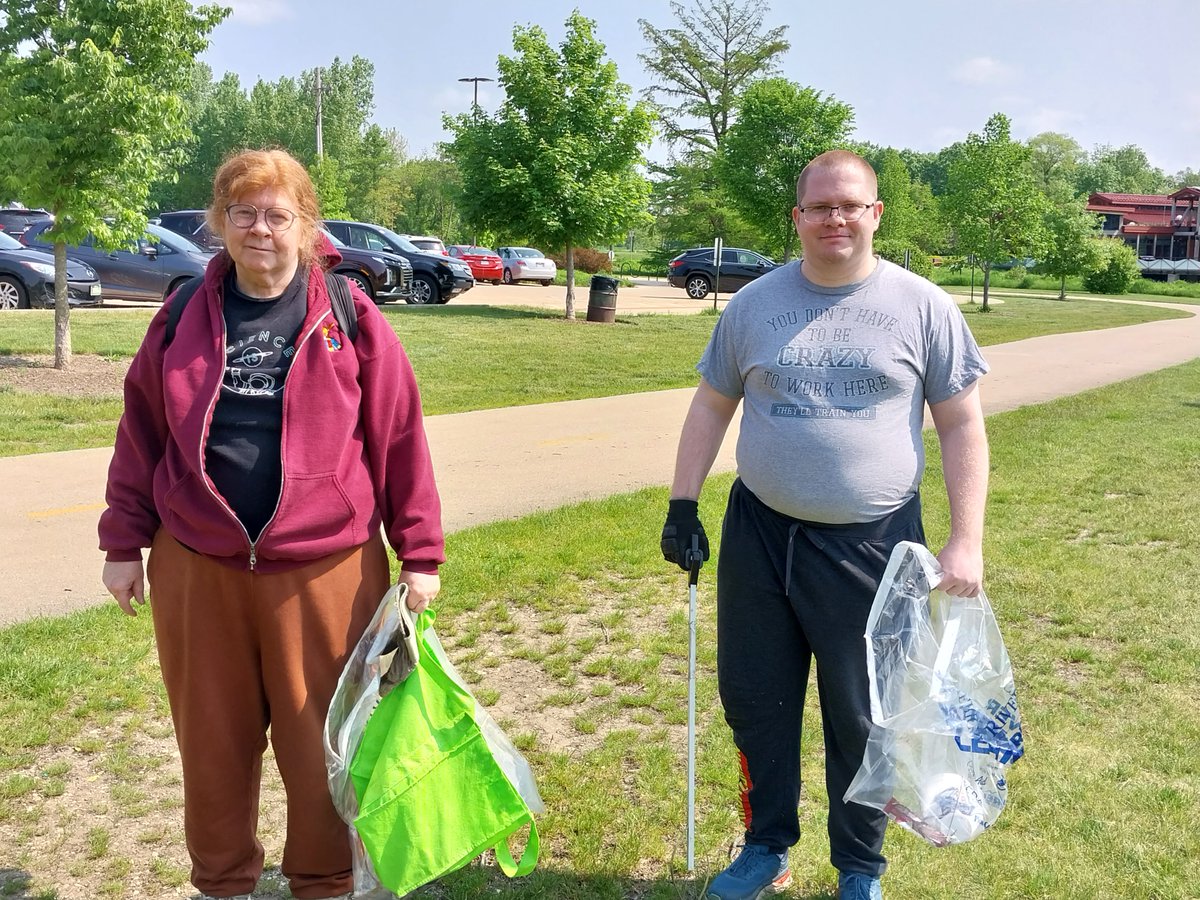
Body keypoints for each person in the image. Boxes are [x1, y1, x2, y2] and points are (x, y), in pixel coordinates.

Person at [99, 148, 445, 900]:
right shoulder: (183, 313)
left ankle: (323, 883)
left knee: (324, 747)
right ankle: (223, 883)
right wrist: (123, 542)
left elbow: (399, 437)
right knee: (213, 748)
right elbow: (142, 434)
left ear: (307, 227)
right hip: (199, 565)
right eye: (243, 213)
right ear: (220, 223)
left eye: (278, 215)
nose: (260, 230)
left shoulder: (351, 315)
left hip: (327, 571)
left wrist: (419, 552)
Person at [660, 149, 989, 900]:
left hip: (871, 544)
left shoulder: (924, 306)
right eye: (819, 207)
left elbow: (962, 425)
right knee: (756, 699)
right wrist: (683, 503)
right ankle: (766, 846)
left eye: (850, 205)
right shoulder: (754, 306)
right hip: (761, 535)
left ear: (875, 213)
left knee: (864, 714)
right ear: (798, 217)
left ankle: (858, 869)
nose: (834, 218)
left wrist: (966, 539)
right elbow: (713, 403)